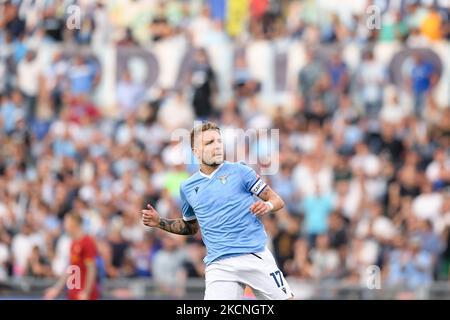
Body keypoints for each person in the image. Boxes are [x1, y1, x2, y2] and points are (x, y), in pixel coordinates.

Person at [141, 121, 294, 300]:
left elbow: (277, 200)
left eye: (219, 141)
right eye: (209, 143)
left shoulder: (240, 171)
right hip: (219, 264)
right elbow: (191, 227)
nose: (217, 146)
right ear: (196, 152)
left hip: (253, 254)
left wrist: (266, 206)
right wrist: (160, 222)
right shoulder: (188, 187)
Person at [44, 212, 100, 300]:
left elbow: (91, 269)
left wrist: (86, 292)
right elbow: (70, 268)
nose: (64, 225)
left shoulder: (87, 242)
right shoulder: (73, 243)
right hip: (74, 292)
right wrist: (56, 288)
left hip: (84, 294)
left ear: (73, 224)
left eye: (66, 222)